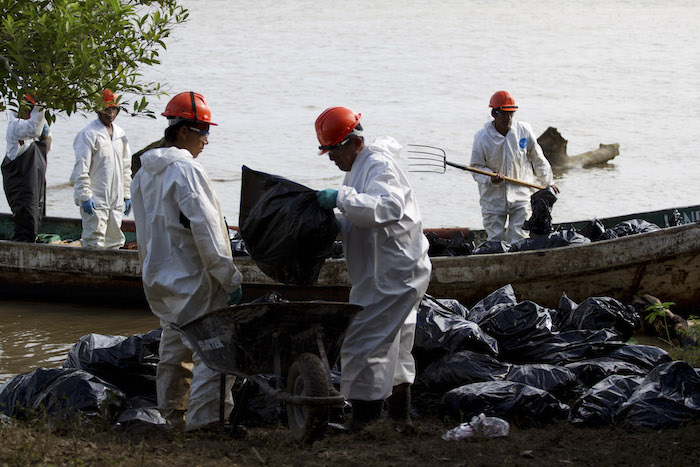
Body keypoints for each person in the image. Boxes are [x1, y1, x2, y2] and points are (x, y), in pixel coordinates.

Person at [131, 91, 243, 432]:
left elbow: (146, 233)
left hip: (160, 280)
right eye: (202, 131)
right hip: (194, 279)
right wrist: (230, 278)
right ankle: (207, 422)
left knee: (174, 348)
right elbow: (208, 231)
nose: (206, 140)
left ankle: (171, 416)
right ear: (181, 131)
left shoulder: (143, 174)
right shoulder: (186, 171)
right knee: (214, 349)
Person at [314, 107, 432, 432]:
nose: (331, 157)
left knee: (363, 341)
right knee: (396, 344)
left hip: (392, 273)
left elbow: (388, 207)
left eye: (334, 149)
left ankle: (362, 424)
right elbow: (360, 213)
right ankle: (400, 420)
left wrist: (341, 198)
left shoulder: (378, 166)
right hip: (396, 270)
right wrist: (334, 218)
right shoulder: (356, 170)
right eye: (327, 151)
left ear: (354, 142)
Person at [470, 90, 559, 244]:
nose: (508, 118)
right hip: (493, 199)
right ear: (494, 114)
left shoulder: (523, 130)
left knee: (520, 239)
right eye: (504, 114)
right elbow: (476, 168)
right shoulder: (482, 137)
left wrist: (548, 182)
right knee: (495, 241)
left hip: (521, 195)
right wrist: (491, 177)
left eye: (511, 113)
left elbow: (537, 158)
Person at [70, 89, 132, 249]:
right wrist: (84, 195)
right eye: (106, 108)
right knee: (94, 241)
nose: (110, 113)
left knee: (115, 241)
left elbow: (126, 167)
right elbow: (81, 168)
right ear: (98, 109)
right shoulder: (88, 134)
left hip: (115, 200)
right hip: (96, 199)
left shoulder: (120, 134)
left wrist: (126, 194)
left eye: (113, 108)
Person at [2, 93, 51, 242]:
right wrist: (41, 108)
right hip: (20, 186)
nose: (31, 112)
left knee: (35, 218)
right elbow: (33, 129)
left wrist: (46, 135)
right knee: (25, 222)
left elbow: (44, 144)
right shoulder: (15, 126)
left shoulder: (34, 131)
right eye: (29, 108)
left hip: (35, 186)